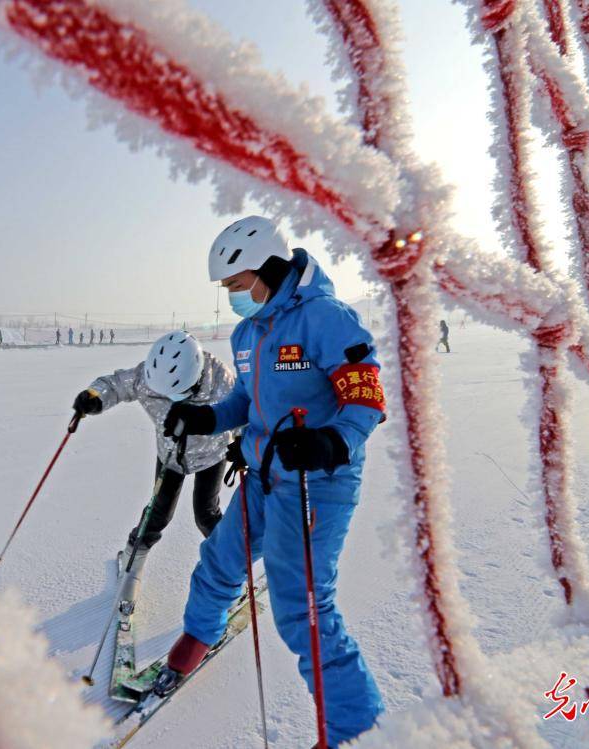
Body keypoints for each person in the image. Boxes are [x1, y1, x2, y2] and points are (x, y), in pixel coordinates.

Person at [158, 216, 385, 746]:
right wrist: (207, 418)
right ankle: (197, 638)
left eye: (236, 286)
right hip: (262, 475)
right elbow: (246, 400)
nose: (231, 298)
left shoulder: (325, 319)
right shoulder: (248, 330)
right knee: (218, 560)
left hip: (316, 481)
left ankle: (354, 731)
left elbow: (365, 396)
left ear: (265, 269)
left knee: (300, 604)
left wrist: (334, 441)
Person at [72, 331, 234, 609]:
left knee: (206, 515)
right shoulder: (147, 376)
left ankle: (229, 570)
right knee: (158, 513)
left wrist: (245, 443)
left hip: (212, 454)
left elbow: (243, 409)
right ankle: (132, 563)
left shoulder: (221, 378)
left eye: (178, 393)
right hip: (170, 455)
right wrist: (95, 395)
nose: (169, 398)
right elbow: (116, 384)